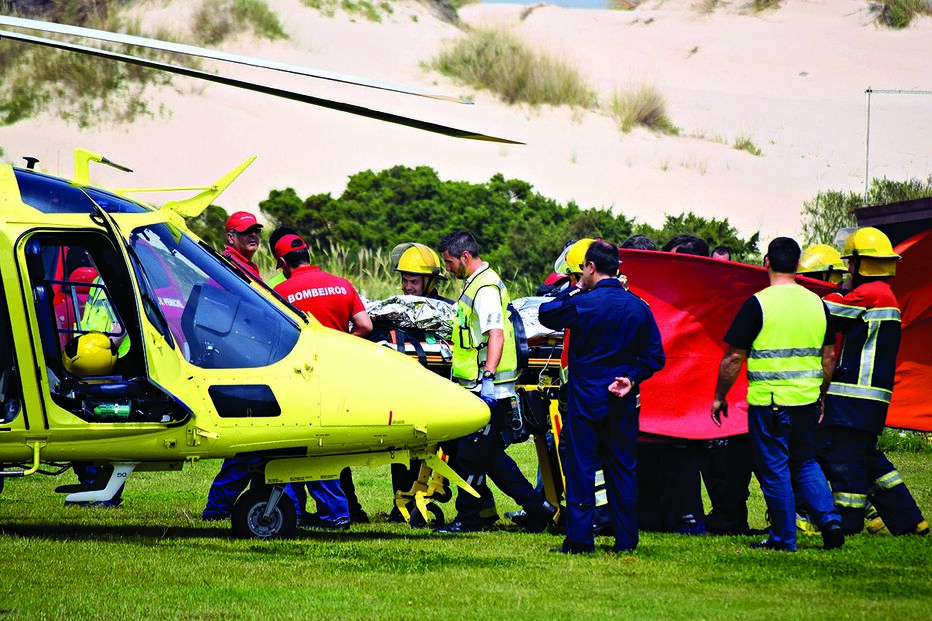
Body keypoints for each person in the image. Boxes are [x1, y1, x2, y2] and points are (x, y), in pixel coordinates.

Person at [711, 236, 844, 552]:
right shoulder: (817, 304)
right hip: (807, 401)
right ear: (798, 265)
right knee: (805, 463)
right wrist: (821, 394)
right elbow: (829, 357)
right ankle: (831, 522)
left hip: (770, 404)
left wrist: (719, 396)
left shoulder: (758, 303)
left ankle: (783, 539)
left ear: (766, 262)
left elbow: (733, 357)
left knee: (775, 470)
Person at [539, 240, 665, 554]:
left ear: (591, 267)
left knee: (580, 469)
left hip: (585, 400)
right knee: (623, 469)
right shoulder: (638, 306)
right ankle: (626, 541)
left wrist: (576, 289)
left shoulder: (582, 303)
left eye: (583, 268)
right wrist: (632, 377)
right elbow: (655, 356)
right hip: (622, 400)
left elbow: (546, 314)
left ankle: (580, 540)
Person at [433, 230, 557, 534]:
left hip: (487, 388)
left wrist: (488, 376)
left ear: (465, 256)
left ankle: (469, 519)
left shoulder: (485, 288)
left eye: (449, 262)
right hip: (478, 386)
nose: (447, 268)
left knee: (470, 455)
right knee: (487, 456)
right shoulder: (476, 284)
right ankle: (538, 509)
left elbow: (496, 335)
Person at [818, 227, 928, 536]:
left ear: (857, 264)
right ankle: (910, 520)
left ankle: (848, 521)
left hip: (853, 396)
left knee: (845, 460)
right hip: (871, 397)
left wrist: (832, 291)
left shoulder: (869, 294)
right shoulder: (885, 294)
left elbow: (823, 314)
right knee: (868, 459)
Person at [271, 230, 373, 529]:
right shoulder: (342, 284)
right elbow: (365, 326)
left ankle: (301, 512)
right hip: (335, 379)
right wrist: (340, 346)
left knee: (291, 448)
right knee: (327, 447)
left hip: (298, 380)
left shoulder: (281, 292)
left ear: (283, 263)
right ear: (308, 256)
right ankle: (337, 511)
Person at [222, 211, 263, 279]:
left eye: (256, 230)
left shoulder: (242, 263)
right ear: (231, 237)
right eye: (246, 231)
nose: (253, 234)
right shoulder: (228, 265)